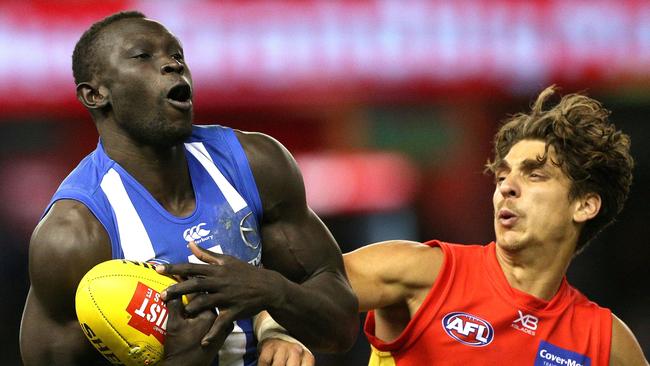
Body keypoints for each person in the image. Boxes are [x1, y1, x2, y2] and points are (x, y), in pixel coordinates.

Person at [19, 11, 357, 366]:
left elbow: (342, 327)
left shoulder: (257, 163)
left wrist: (272, 293)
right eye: (143, 56)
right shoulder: (73, 236)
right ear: (95, 94)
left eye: (176, 55)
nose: (172, 65)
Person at [343, 86, 648, 365]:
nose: (506, 188)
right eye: (502, 177)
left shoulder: (604, 342)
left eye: (534, 175)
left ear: (584, 205)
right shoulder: (424, 273)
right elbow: (309, 283)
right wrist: (291, 335)